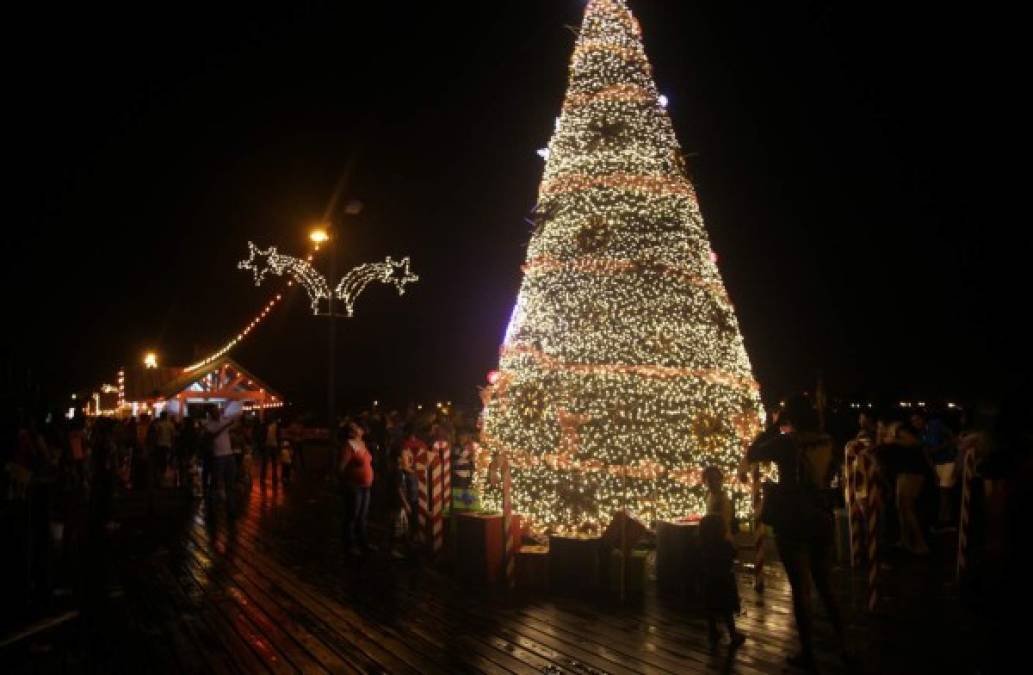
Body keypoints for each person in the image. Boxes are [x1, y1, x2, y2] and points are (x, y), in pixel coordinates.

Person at [746, 395, 847, 669]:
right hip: (822, 516)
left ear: (790, 417)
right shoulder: (828, 442)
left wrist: (774, 426)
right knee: (825, 585)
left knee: (801, 588)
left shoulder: (786, 442)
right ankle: (845, 645)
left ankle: (809, 652)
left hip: (794, 518)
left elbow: (752, 452)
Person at [700, 514, 746, 652]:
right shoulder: (724, 545)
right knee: (727, 609)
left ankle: (712, 632)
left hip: (709, 581)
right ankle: (733, 635)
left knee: (711, 608)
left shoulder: (704, 545)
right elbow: (734, 553)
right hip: (724, 580)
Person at [338, 420, 375, 556]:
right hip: (354, 487)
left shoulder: (363, 444)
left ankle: (363, 543)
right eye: (351, 428)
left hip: (366, 487)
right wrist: (345, 483)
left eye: (356, 427)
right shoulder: (349, 445)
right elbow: (341, 467)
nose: (353, 430)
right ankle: (350, 545)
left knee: (362, 517)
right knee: (352, 516)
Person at [203, 406, 240, 515]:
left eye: (217, 411)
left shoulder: (224, 420)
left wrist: (233, 424)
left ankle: (231, 508)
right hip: (218, 456)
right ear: (210, 413)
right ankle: (212, 507)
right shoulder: (208, 424)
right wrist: (226, 426)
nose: (217, 413)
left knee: (230, 483)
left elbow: (234, 426)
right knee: (216, 482)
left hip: (229, 454)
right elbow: (212, 436)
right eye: (214, 411)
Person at [703, 466, 734, 540]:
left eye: (717, 479)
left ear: (721, 480)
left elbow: (724, 522)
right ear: (705, 482)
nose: (714, 482)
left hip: (721, 537)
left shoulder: (722, 498)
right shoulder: (709, 496)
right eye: (710, 480)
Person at [153, 411, 175, 487]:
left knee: (160, 459)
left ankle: (160, 473)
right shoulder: (170, 424)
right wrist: (172, 444)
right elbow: (173, 435)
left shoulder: (158, 424)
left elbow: (156, 435)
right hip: (167, 444)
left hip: (159, 444)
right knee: (165, 459)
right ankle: (163, 472)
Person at [260, 416, 280, 489]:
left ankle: (272, 477)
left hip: (272, 445)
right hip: (268, 445)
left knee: (272, 463)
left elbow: (278, 435)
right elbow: (262, 435)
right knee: (266, 462)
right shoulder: (265, 426)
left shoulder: (274, 425)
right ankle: (264, 477)